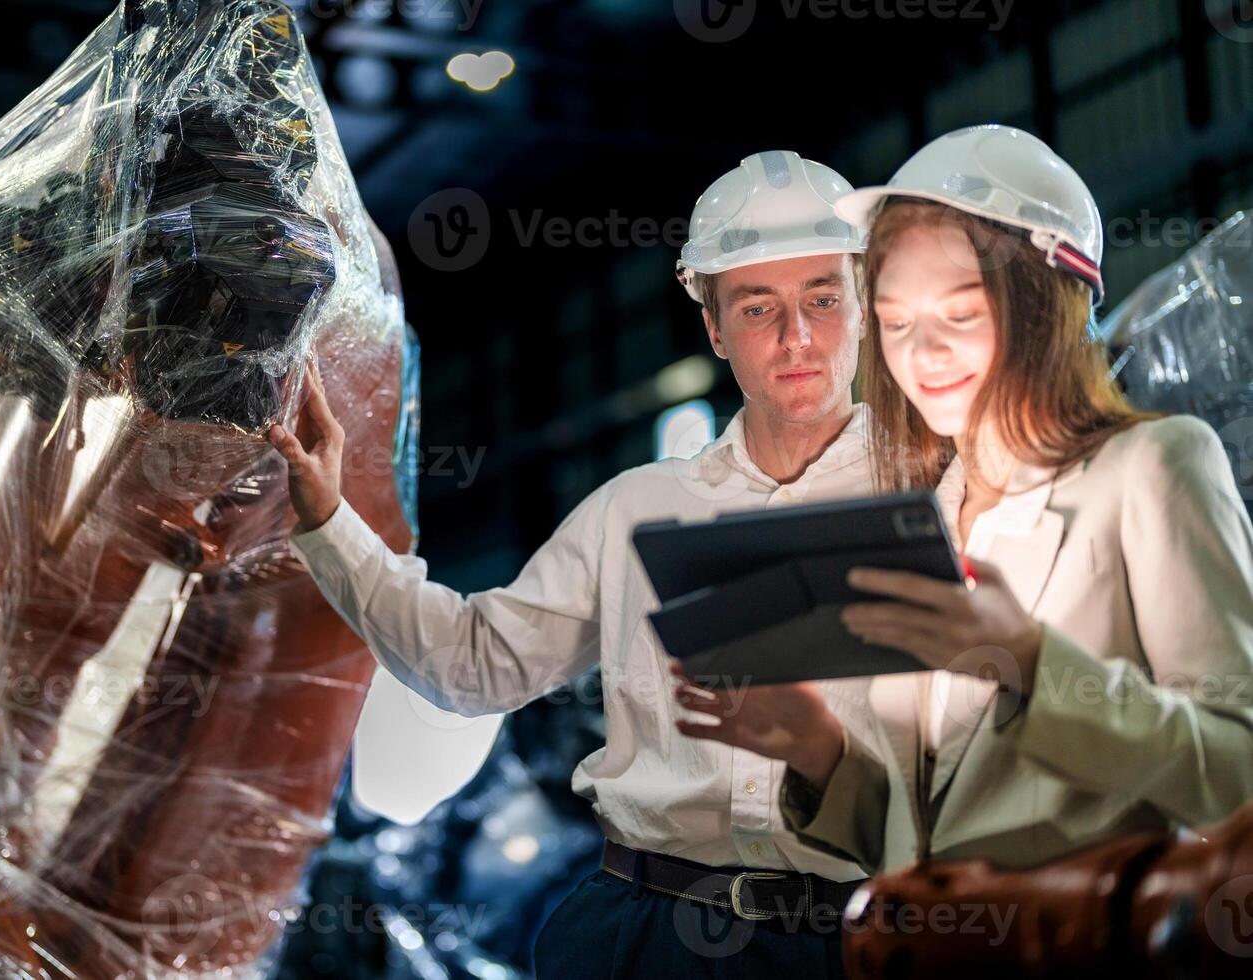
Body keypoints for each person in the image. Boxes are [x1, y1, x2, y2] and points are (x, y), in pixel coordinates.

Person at [266, 151, 873, 979]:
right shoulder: (638, 514)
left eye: (823, 299)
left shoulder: (947, 504)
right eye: (758, 305)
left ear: (865, 303)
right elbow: (476, 664)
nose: (796, 336)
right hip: (642, 938)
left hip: (853, 942)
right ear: (714, 327)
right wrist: (331, 523)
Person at [670, 124, 1253, 878]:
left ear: (1046, 303)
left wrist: (1033, 663)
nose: (923, 352)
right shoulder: (927, 517)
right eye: (897, 321)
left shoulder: (1150, 466)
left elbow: (1237, 772)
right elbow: (926, 832)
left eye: (961, 313)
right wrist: (817, 749)